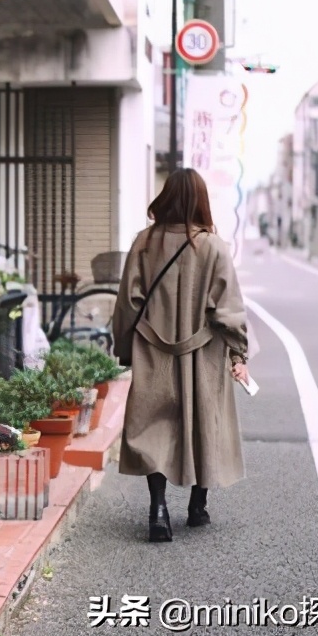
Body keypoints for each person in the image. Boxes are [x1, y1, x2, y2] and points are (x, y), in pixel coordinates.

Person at [112, 168, 250, 543]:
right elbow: (228, 310)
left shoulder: (143, 243)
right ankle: (196, 506)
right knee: (205, 422)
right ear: (201, 201)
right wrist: (239, 352)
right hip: (203, 352)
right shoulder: (214, 247)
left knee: (154, 427)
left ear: (166, 197)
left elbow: (127, 303)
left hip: (152, 350)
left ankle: (158, 509)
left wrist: (125, 349)